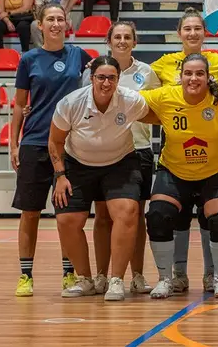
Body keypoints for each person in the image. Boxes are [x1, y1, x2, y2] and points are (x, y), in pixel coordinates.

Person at [141, 54, 218, 299]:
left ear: (208, 76)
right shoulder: (165, 96)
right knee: (158, 215)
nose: (193, 78)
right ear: (180, 78)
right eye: (188, 73)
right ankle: (166, 278)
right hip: (174, 170)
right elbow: (129, 101)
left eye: (199, 73)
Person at [49, 56, 154, 300]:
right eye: (101, 77)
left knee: (128, 211)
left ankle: (116, 279)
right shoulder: (71, 103)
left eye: (112, 78)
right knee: (66, 218)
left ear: (118, 79)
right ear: (92, 78)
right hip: (77, 165)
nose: (106, 83)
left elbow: (157, 116)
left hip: (120, 163)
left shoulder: (130, 100)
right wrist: (60, 176)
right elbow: (55, 141)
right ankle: (86, 279)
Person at [10, 3, 94, 297]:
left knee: (67, 217)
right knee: (30, 212)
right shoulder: (29, 59)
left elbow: (101, 82)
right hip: (35, 143)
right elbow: (20, 104)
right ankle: (25, 275)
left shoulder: (79, 55)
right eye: (50, 19)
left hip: (70, 146)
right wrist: (14, 143)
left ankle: (69, 275)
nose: (56, 24)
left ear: (67, 23)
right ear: (40, 25)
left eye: (60, 19)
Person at [150, 9, 218, 293]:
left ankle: (213, 275)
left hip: (213, 154)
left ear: (204, 33)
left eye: (198, 28)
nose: (193, 33)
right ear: (179, 32)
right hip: (175, 153)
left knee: (215, 216)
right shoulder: (161, 65)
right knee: (169, 214)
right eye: (187, 28)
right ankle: (175, 275)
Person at [88, 21, 161, 296]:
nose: (122, 41)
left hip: (138, 149)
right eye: (117, 36)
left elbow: (155, 108)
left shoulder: (146, 72)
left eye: (127, 37)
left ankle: (138, 275)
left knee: (135, 217)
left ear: (134, 42)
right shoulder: (96, 71)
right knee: (103, 216)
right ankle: (101, 276)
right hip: (103, 151)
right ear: (109, 41)